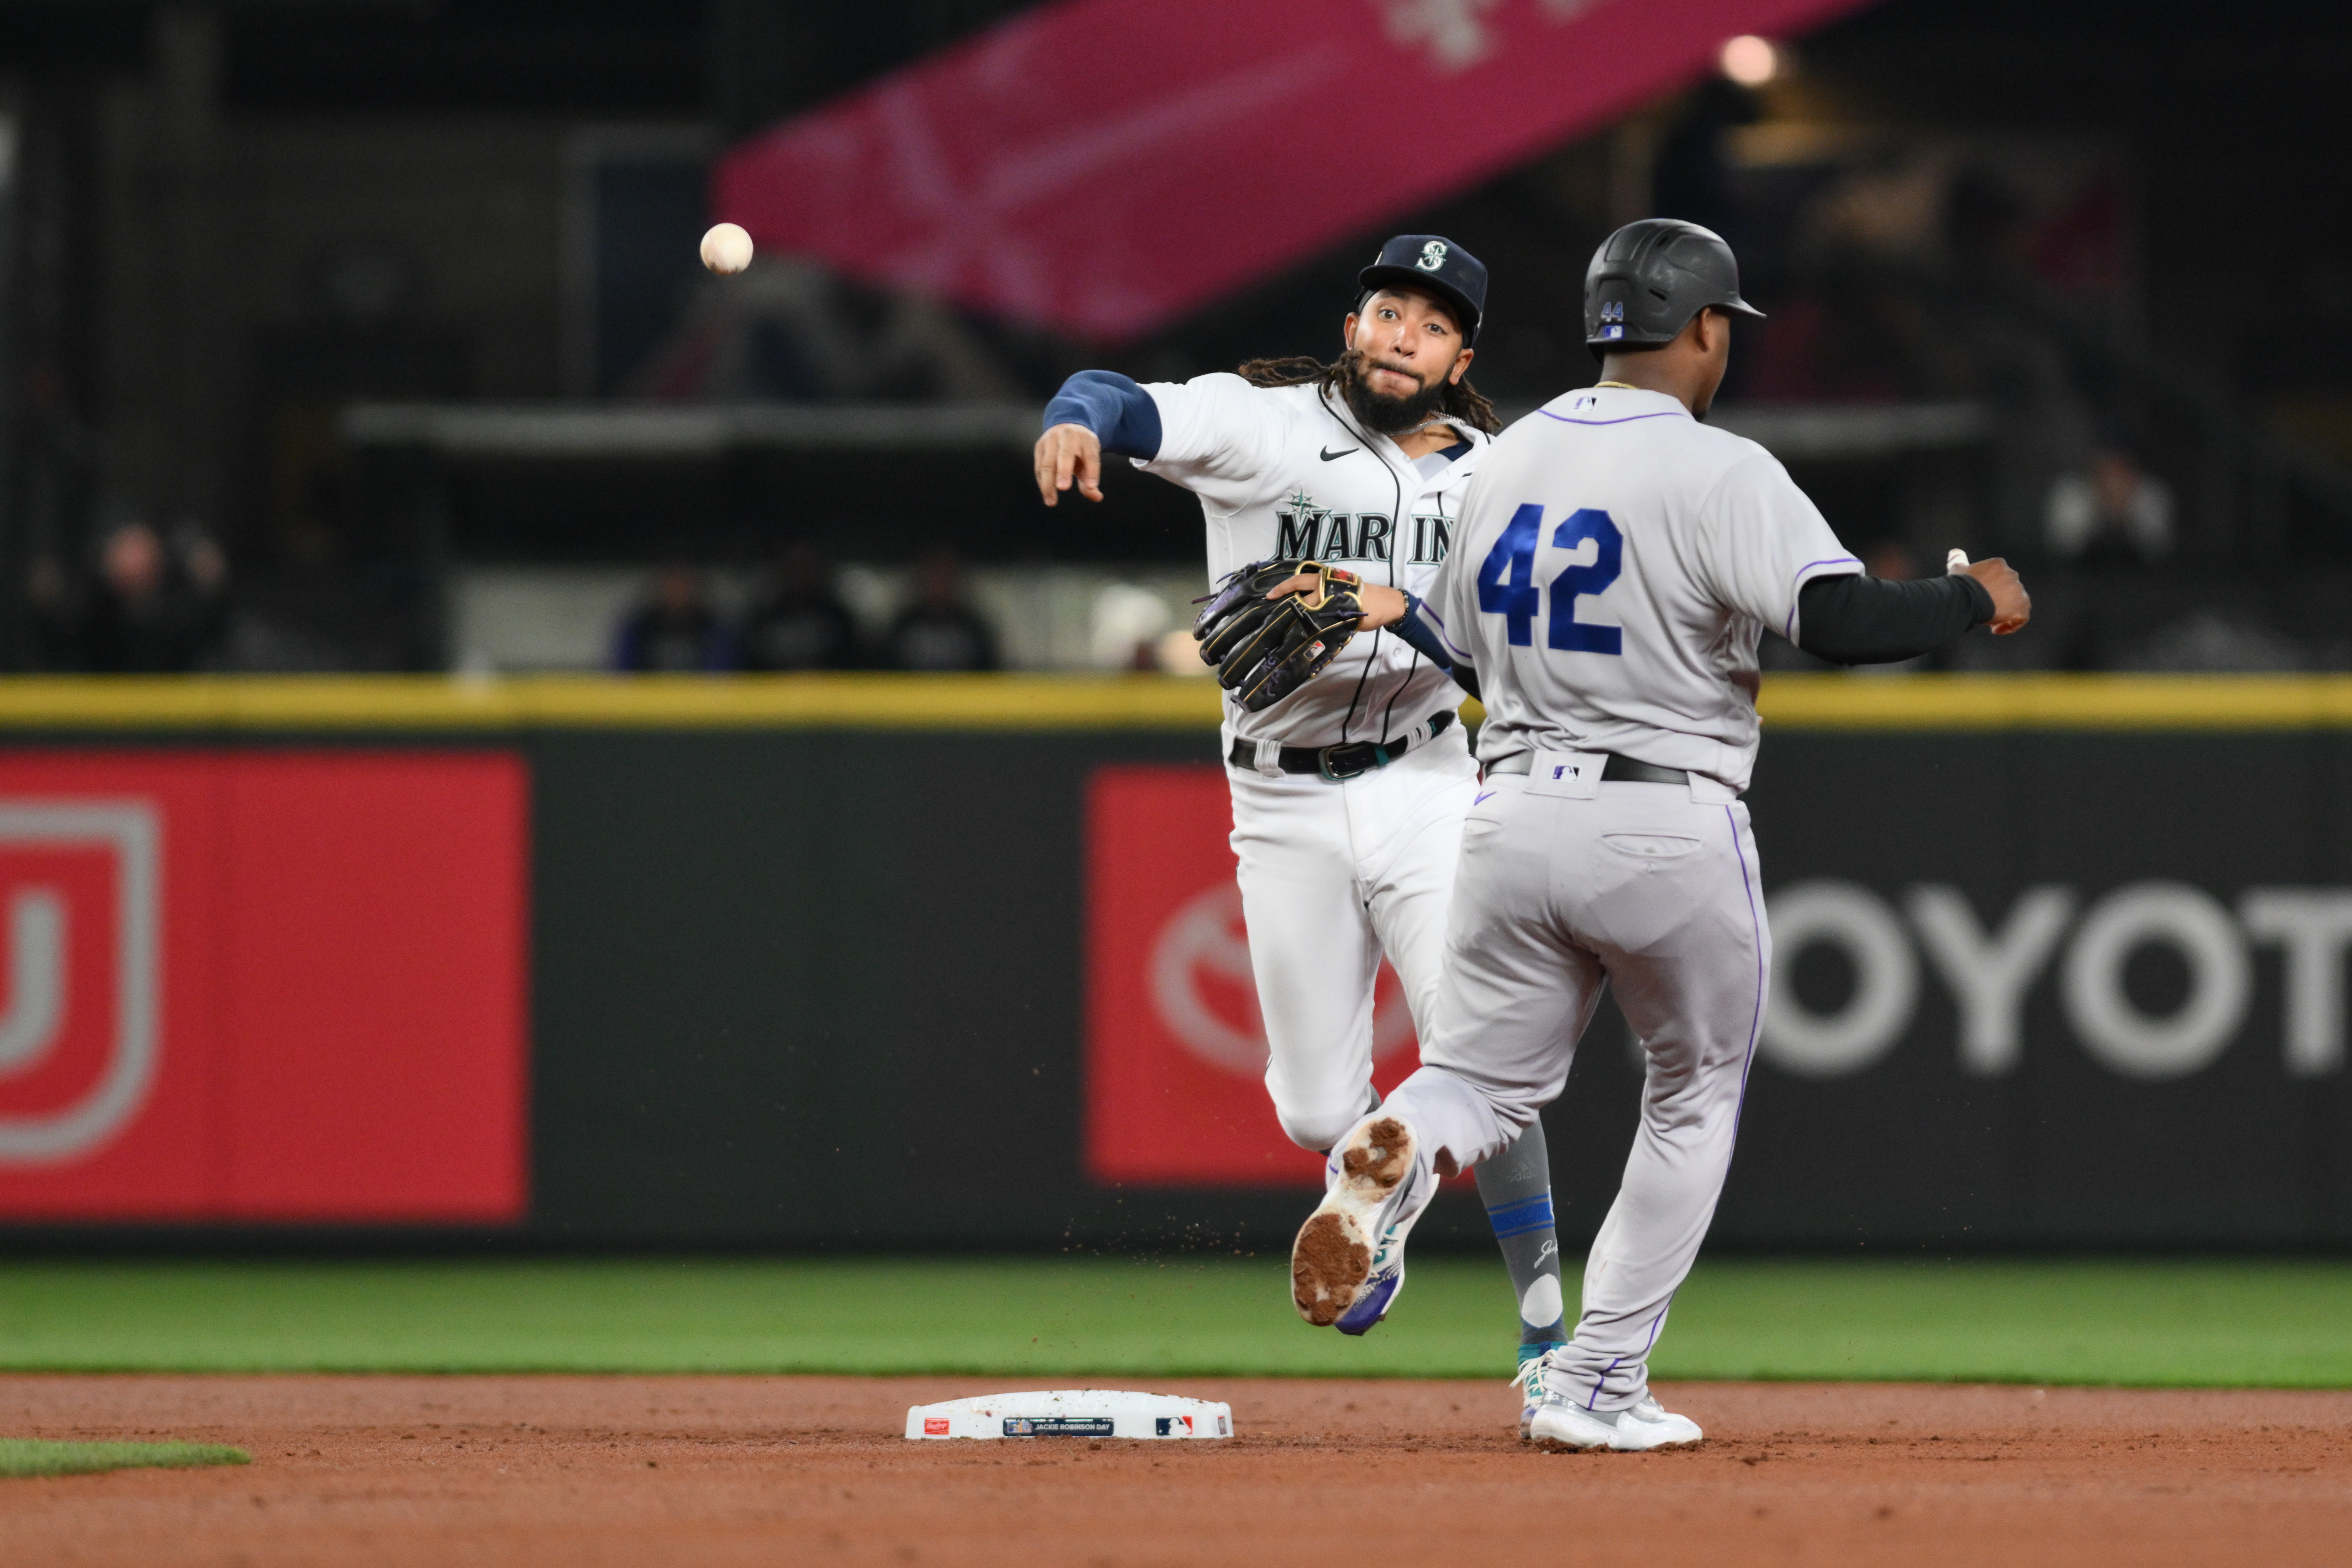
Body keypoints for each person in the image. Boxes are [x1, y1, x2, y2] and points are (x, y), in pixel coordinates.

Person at [1283, 219, 2031, 1450]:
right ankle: (1596, 1381)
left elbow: (1461, 649)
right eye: (1725, 324)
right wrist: (1971, 595)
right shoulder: (1719, 469)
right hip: (1661, 812)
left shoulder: (1503, 458)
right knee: (1693, 1088)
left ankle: (1392, 1150)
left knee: (1477, 1073)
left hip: (1512, 809)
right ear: (1701, 327)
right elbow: (1836, 621)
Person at [1034, 234, 1572, 1415]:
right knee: (1319, 1111)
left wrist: (1389, 608)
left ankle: (1546, 1336)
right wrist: (1070, 419)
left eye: (1430, 326)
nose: (1401, 336)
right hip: (1278, 797)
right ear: (1353, 324)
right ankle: (1370, 1198)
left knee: (1482, 1061)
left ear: (1459, 356)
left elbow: (1508, 656)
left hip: (1430, 782)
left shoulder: (1495, 475)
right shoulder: (1262, 425)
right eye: (1387, 311)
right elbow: (1122, 399)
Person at [739, 542, 861, 671]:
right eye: (794, 566)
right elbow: (753, 666)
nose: (800, 574)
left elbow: (851, 665)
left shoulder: (836, 619)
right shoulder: (765, 620)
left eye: (806, 566)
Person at [878, 547, 999, 671]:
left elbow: (988, 674)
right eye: (933, 573)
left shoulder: (971, 626)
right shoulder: (905, 625)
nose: (938, 581)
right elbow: (885, 672)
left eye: (945, 574)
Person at [614, 565, 729, 672]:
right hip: (649, 693)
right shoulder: (641, 628)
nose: (677, 591)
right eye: (672, 584)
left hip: (701, 693)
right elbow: (625, 671)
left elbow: (721, 672)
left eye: (683, 584)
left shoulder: (712, 628)